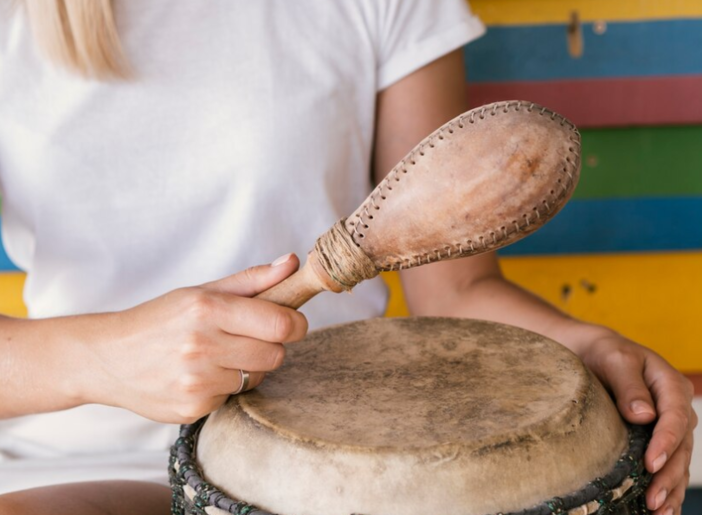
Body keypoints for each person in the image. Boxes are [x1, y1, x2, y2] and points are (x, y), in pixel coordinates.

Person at [0, 1, 694, 514]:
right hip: (83, 464)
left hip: (357, 483)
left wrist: (588, 345)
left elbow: (452, 287)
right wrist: (103, 356)